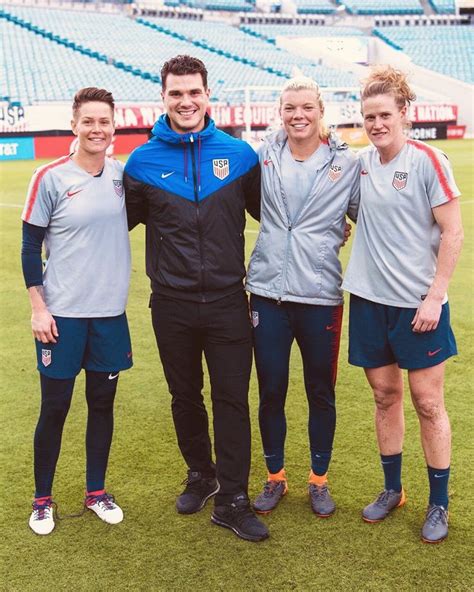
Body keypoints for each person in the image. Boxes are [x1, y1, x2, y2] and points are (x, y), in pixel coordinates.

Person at [123, 55, 268, 542]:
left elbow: (275, 217)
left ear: (209, 96)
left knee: (231, 400)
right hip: (171, 304)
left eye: (194, 92)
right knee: (184, 396)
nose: (185, 101)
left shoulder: (241, 156)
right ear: (162, 98)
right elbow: (114, 225)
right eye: (175, 93)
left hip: (229, 301)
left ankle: (233, 499)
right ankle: (200, 475)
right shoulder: (142, 162)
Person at [342, 66, 463, 543]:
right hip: (370, 302)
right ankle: (393, 490)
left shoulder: (429, 161)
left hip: (419, 306)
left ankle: (439, 503)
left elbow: (453, 232)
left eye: (384, 115)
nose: (376, 124)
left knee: (428, 403)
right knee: (384, 397)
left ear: (404, 114)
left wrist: (435, 296)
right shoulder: (362, 163)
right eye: (369, 116)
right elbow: (348, 208)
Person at [245, 76, 360, 516]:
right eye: (290, 107)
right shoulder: (263, 155)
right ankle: (275, 477)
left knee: (320, 391)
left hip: (320, 295)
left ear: (321, 110)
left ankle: (318, 479)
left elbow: (370, 214)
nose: (299, 115)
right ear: (279, 112)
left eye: (307, 107)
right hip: (268, 294)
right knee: (271, 389)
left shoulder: (347, 164)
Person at [21, 87, 132, 535]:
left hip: (109, 314)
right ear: (75, 125)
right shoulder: (49, 177)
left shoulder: (123, 177)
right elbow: (30, 246)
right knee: (55, 407)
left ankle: (95, 492)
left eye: (103, 121)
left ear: (113, 126)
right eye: (88, 121)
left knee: (102, 405)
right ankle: (42, 500)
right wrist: (38, 308)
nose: (96, 129)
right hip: (61, 315)